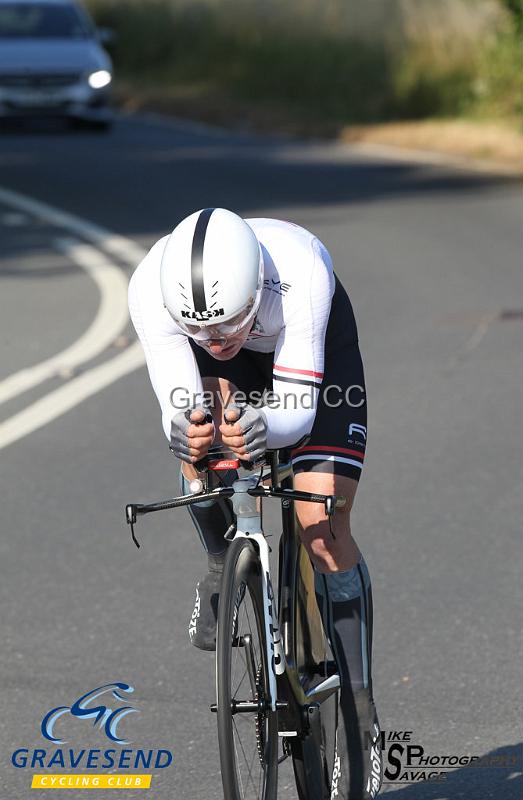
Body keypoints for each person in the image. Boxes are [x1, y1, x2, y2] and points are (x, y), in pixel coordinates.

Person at [128, 207, 382, 800]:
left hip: (306, 356)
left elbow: (295, 415)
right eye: (202, 332)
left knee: (321, 523)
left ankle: (359, 701)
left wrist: (260, 423)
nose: (216, 341)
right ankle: (222, 562)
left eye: (228, 324)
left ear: (252, 295)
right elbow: (177, 402)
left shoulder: (297, 271)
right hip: (229, 371)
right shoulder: (150, 289)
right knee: (198, 441)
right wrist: (190, 431)